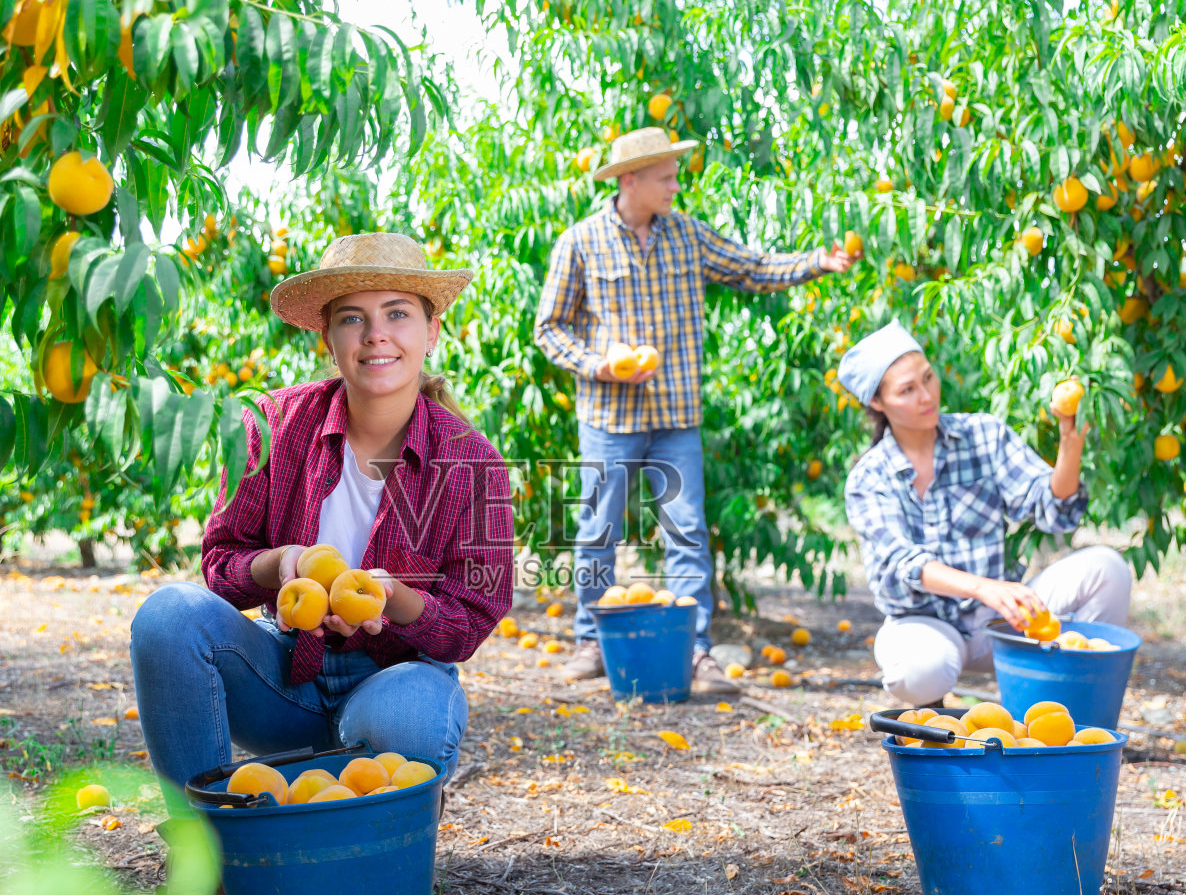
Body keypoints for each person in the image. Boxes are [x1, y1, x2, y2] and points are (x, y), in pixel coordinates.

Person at [129, 233, 514, 810]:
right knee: (168, 617)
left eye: (398, 314)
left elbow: (472, 618)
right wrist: (281, 562)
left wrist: (394, 598)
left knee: (412, 718)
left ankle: (371, 828)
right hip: (283, 676)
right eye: (352, 318)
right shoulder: (274, 422)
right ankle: (204, 849)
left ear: (431, 332)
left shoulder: (471, 460)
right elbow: (221, 563)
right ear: (327, 338)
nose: (375, 334)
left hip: (393, 683)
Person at [535, 126, 857, 693]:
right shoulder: (581, 242)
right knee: (597, 530)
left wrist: (815, 263)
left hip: (676, 414)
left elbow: (752, 268)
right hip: (610, 416)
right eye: (666, 176)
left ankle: (695, 651)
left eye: (675, 175)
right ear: (629, 180)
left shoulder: (687, 236)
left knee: (685, 533)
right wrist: (599, 364)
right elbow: (549, 329)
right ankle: (591, 640)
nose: (675, 185)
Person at [841, 321, 1132, 707]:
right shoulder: (869, 477)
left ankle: (1071, 710)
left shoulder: (983, 435)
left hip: (1004, 622)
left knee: (1106, 569)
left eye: (928, 378)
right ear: (877, 403)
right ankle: (931, 713)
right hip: (927, 626)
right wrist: (985, 588)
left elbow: (1050, 508)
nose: (927, 395)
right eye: (907, 390)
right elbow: (902, 562)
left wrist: (1069, 443)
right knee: (918, 671)